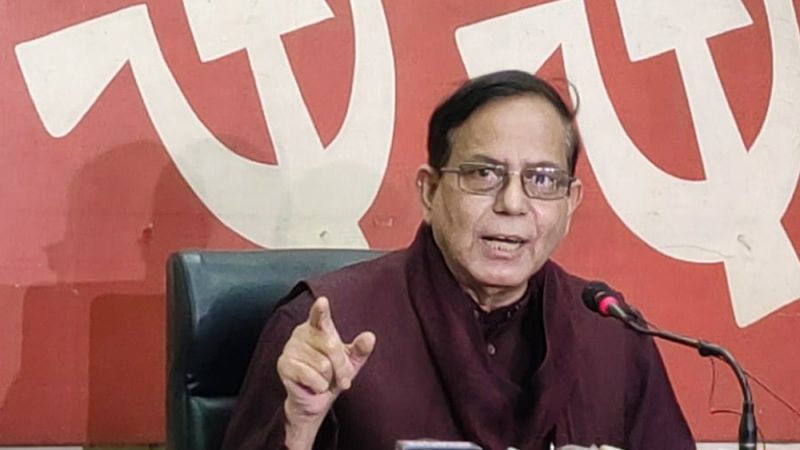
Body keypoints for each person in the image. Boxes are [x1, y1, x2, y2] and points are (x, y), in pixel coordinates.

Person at [222, 70, 694, 450]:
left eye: (542, 180)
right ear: (429, 191)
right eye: (483, 173)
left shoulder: (611, 335)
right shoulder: (326, 329)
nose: (513, 203)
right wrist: (300, 425)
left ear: (570, 203)